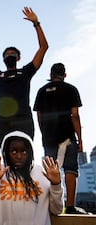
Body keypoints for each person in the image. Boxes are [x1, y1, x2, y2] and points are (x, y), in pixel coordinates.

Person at [0, 7, 49, 145]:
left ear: (18, 58)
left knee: (26, 153)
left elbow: (43, 48)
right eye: (7, 54)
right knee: (7, 154)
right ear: (3, 59)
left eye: (13, 53)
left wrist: (36, 23)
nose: (10, 55)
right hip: (4, 121)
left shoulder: (26, 72)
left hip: (24, 118)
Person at [33, 63, 88, 214]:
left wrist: (44, 133)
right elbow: (75, 115)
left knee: (49, 172)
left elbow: (39, 116)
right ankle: (70, 207)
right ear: (65, 75)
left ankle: (47, 208)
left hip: (49, 138)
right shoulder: (71, 89)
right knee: (70, 170)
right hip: (68, 137)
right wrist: (80, 139)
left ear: (51, 75)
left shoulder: (42, 91)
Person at [0, 131, 63, 225]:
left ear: (30, 153)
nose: (19, 156)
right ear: (6, 153)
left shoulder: (41, 173)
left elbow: (57, 210)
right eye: (13, 151)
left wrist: (56, 185)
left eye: (24, 151)